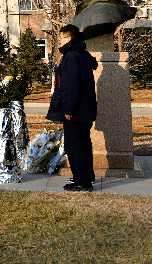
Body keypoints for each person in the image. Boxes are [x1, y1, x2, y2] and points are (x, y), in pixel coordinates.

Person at [47, 24, 98, 192]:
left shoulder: (71, 57)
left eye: (60, 38)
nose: (59, 41)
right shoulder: (83, 54)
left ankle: (81, 182)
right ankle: (85, 177)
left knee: (74, 146)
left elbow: (71, 87)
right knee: (83, 144)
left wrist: (68, 110)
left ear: (69, 39)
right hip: (85, 110)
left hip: (75, 112)